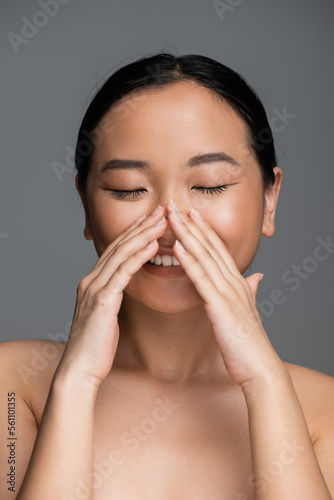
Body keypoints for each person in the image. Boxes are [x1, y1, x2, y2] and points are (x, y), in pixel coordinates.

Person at [1, 52, 333, 499]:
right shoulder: (11, 385)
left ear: (270, 198)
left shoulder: (325, 412)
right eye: (128, 190)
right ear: (85, 203)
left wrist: (264, 382)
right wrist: (76, 383)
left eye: (210, 184)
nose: (171, 224)